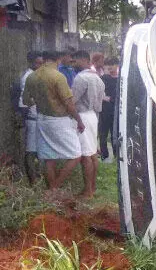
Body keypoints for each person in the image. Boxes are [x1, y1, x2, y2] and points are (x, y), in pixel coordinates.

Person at [22, 50, 84, 191]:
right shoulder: (58, 76)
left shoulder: (32, 76)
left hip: (41, 118)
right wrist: (79, 121)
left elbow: (26, 101)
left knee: (49, 157)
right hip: (58, 120)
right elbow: (68, 103)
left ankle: (53, 190)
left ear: (44, 59)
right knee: (76, 155)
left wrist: (41, 99)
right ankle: (54, 188)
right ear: (58, 59)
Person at [71, 50, 106, 199]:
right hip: (93, 116)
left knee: (86, 155)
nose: (74, 64)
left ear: (83, 60)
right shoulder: (98, 78)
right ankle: (92, 188)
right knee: (92, 154)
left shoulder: (81, 78)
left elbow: (71, 101)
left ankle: (88, 192)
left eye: (75, 61)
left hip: (82, 116)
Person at [19, 51, 43, 184]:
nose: (40, 65)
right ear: (31, 63)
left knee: (38, 151)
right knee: (31, 151)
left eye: (41, 63)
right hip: (32, 119)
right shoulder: (28, 77)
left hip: (38, 119)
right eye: (37, 63)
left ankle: (37, 178)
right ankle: (33, 181)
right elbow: (24, 102)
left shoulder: (35, 76)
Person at [99, 57, 119, 163]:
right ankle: (104, 156)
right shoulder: (103, 78)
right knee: (103, 133)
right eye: (108, 66)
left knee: (114, 134)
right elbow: (98, 92)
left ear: (117, 65)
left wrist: (109, 98)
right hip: (104, 110)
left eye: (112, 65)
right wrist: (106, 98)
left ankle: (116, 156)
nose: (110, 68)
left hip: (116, 111)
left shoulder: (121, 79)